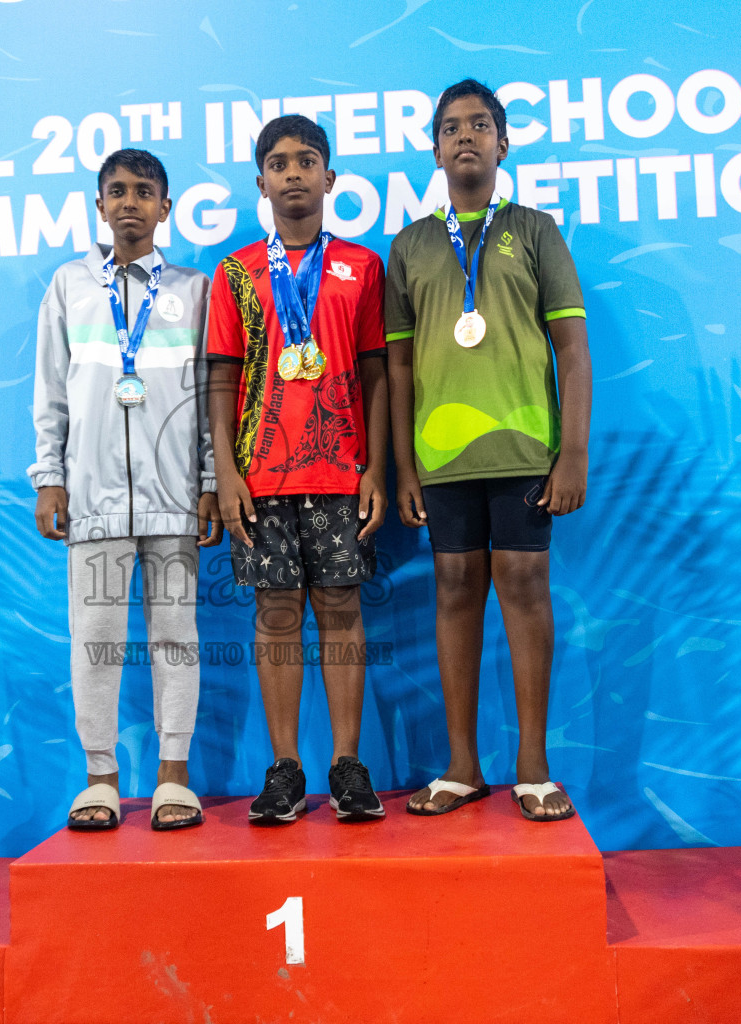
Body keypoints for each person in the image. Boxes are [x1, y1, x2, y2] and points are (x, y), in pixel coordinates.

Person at [385, 79, 592, 821]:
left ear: (503, 144)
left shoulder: (535, 231)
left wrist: (572, 454)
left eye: (480, 125)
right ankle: (463, 766)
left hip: (525, 449)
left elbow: (571, 347)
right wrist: (404, 466)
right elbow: (400, 367)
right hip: (442, 460)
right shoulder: (408, 246)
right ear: (435, 149)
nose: (465, 136)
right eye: (450, 127)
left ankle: (533, 766)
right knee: (453, 593)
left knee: (527, 590)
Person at [29, 149, 222, 832]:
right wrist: (51, 478)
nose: (130, 203)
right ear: (99, 204)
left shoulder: (195, 290)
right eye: (117, 191)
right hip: (94, 500)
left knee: (177, 636)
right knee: (98, 640)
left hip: (174, 500)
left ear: (166, 208)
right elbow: (51, 392)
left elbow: (206, 399)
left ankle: (175, 776)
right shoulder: (70, 286)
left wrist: (206, 483)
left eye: (145, 192)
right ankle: (101, 778)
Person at [206, 115, 389, 825]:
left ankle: (348, 765)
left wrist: (375, 465)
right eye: (278, 163)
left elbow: (377, 374)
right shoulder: (237, 274)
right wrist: (225, 472)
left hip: (342, 470)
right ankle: (285, 768)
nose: (292, 173)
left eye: (306, 161)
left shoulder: (362, 267)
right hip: (260, 477)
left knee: (341, 611)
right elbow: (221, 381)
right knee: (276, 614)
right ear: (261, 182)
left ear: (330, 178)